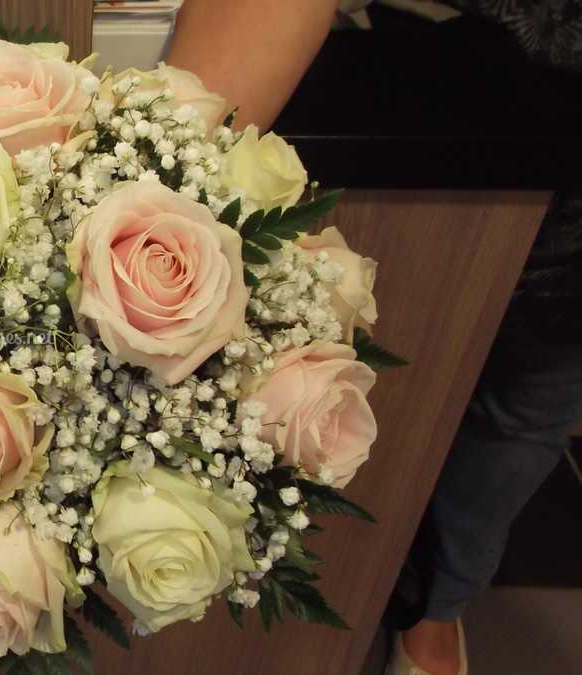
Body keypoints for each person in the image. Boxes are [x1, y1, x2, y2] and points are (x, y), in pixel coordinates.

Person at [165, 2, 582, 675]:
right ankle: (383, 590)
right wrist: (162, 194)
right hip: (447, 83)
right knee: (415, 388)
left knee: (525, 411)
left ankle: (439, 607)